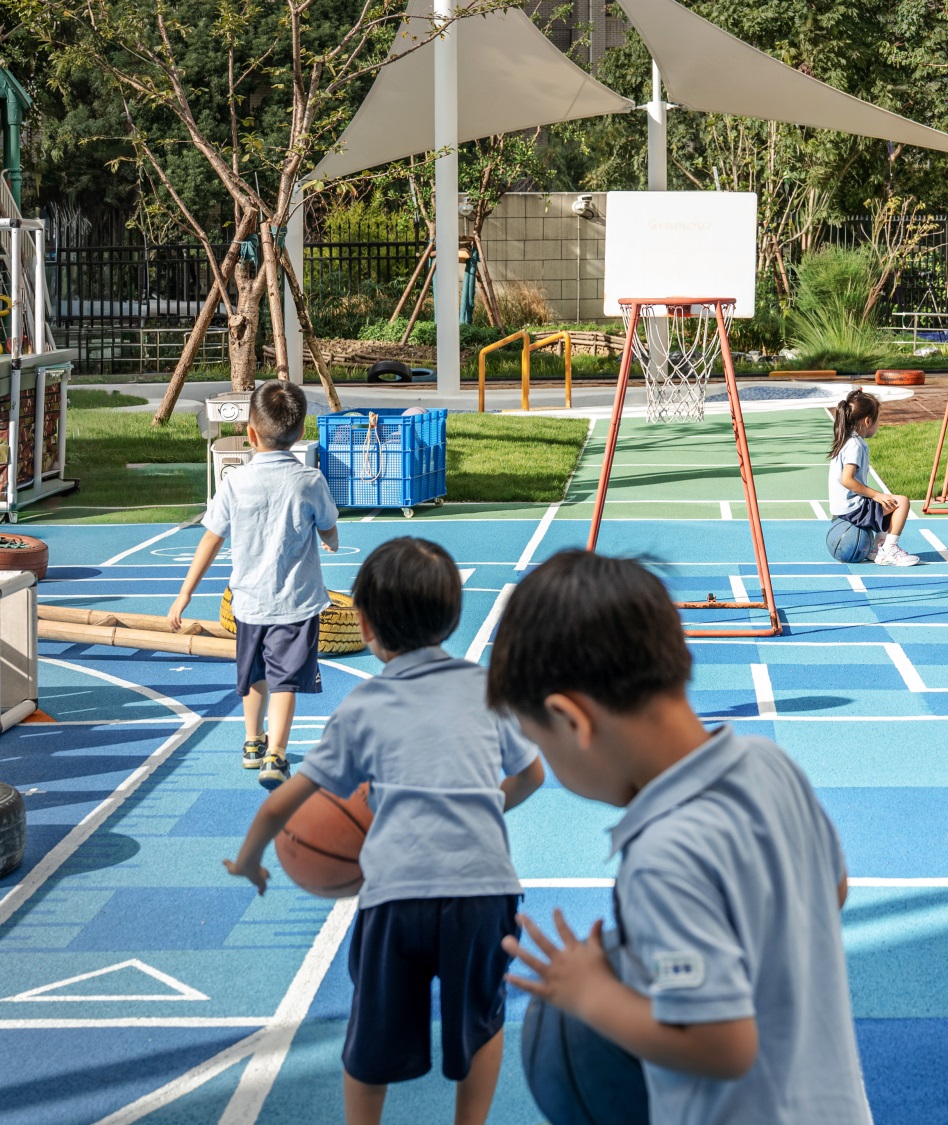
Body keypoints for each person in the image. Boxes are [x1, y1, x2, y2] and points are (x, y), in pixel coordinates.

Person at [489, 550, 871, 1125]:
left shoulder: (662, 858)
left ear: (572, 720)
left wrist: (591, 993)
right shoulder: (768, 763)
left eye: (540, 742)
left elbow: (722, 1045)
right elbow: (832, 888)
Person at [222, 537, 546, 1125]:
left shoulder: (366, 705)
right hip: (482, 889)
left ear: (364, 625)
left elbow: (281, 806)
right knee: (482, 1019)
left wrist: (249, 859)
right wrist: (483, 805)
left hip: (398, 894)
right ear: (452, 617)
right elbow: (531, 775)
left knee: (371, 1037)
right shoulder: (485, 688)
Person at [169, 379, 338, 789]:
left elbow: (211, 539)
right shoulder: (310, 480)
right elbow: (330, 529)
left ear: (249, 433)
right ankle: (277, 754)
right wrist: (330, 541)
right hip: (295, 604)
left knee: (253, 675)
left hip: (248, 604)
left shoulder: (234, 483)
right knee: (286, 681)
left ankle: (251, 741)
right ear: (301, 433)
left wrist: (185, 592)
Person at [827, 388, 918, 566]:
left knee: (886, 502)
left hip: (843, 507)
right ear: (868, 421)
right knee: (900, 502)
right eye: (878, 420)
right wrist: (876, 495)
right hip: (852, 508)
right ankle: (890, 549)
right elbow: (847, 480)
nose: (878, 424)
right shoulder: (855, 445)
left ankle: (877, 548)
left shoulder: (846, 440)